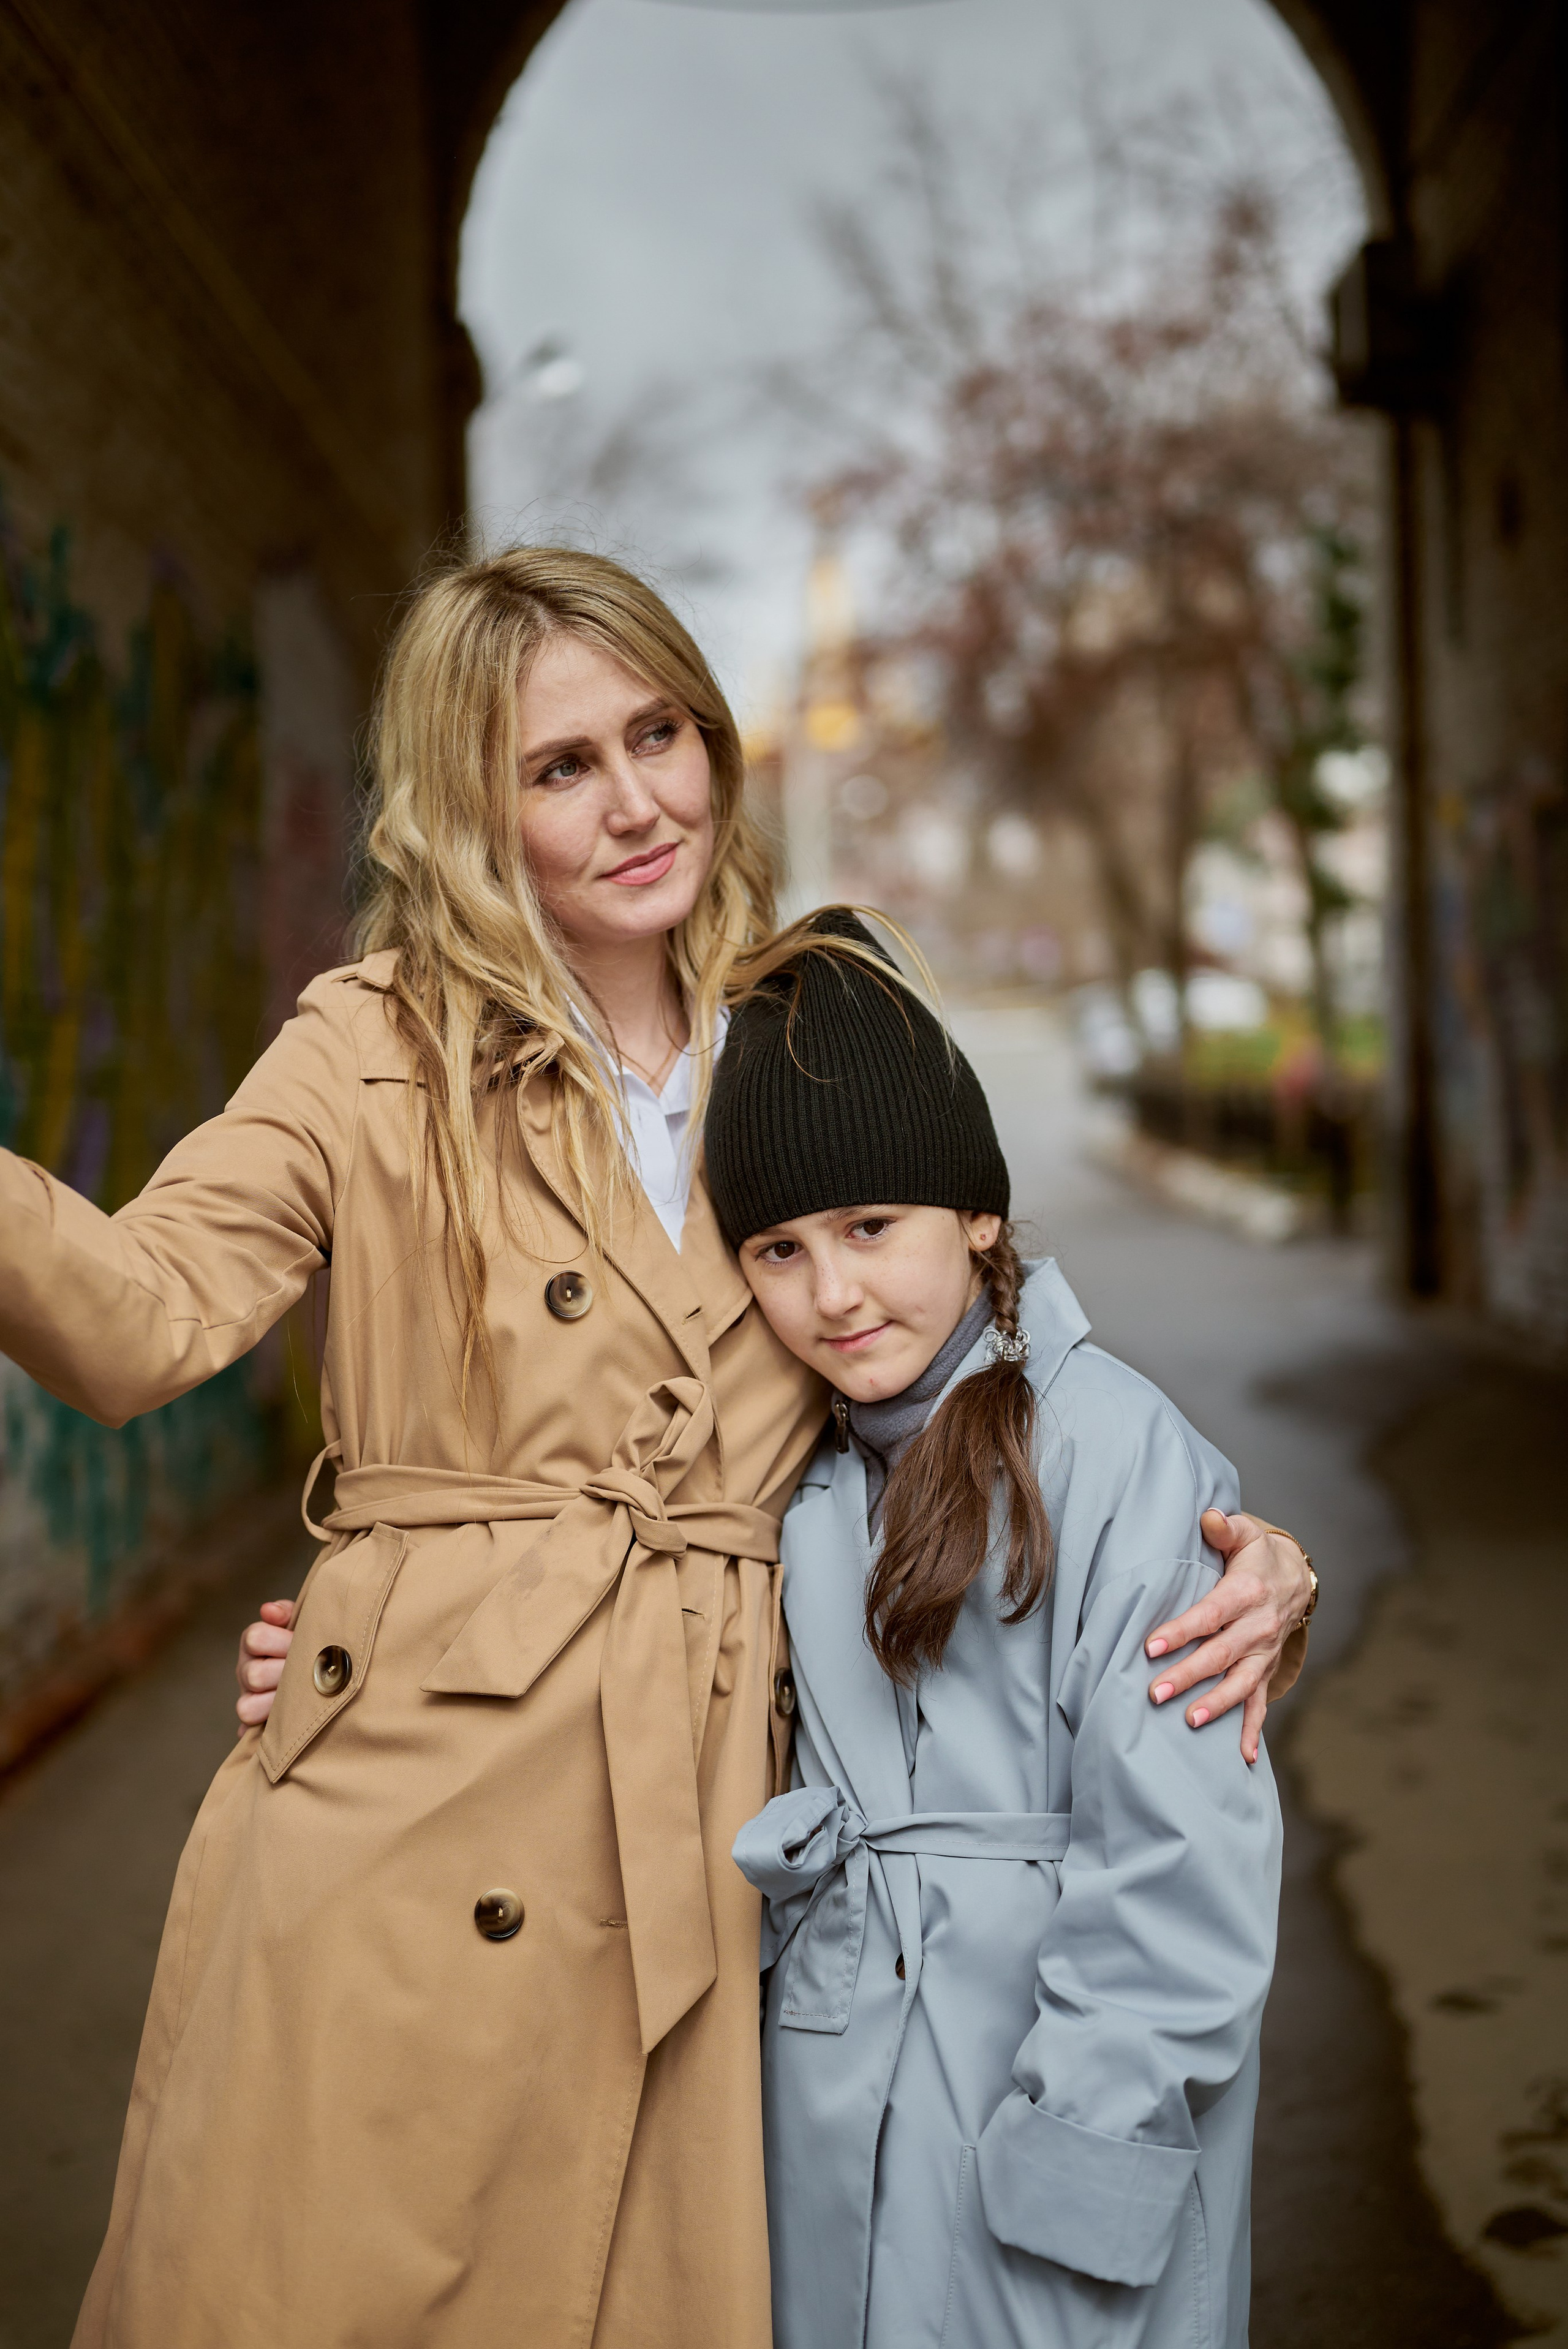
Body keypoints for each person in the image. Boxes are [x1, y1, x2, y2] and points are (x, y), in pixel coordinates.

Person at [0, 547, 1308, 2349]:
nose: (636, 802)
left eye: (660, 732)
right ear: (475, 807)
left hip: (707, 1851)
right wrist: (406, 1592)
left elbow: (977, 1334)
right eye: (560, 767)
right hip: (409, 1820)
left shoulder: (801, 1019)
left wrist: (1241, 1551)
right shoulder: (371, 1046)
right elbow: (138, 1313)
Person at [707, 913, 1284, 2349]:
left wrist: (1072, 2160)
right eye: (776, 1249)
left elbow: (1178, 1867)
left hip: (1044, 2116)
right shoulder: (799, 1479)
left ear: (974, 1212)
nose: (830, 1294)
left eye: (868, 1227)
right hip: (833, 2116)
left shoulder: (1111, 1452)